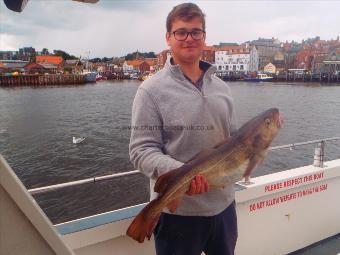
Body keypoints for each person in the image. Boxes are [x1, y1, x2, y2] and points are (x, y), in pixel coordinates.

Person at [129, 3, 238, 255]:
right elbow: (141, 151)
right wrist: (183, 175)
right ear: (168, 37)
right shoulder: (150, 91)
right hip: (176, 213)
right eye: (181, 32)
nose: (189, 38)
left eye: (196, 32)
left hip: (224, 208)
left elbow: (231, 142)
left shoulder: (223, 88)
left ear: (204, 37)